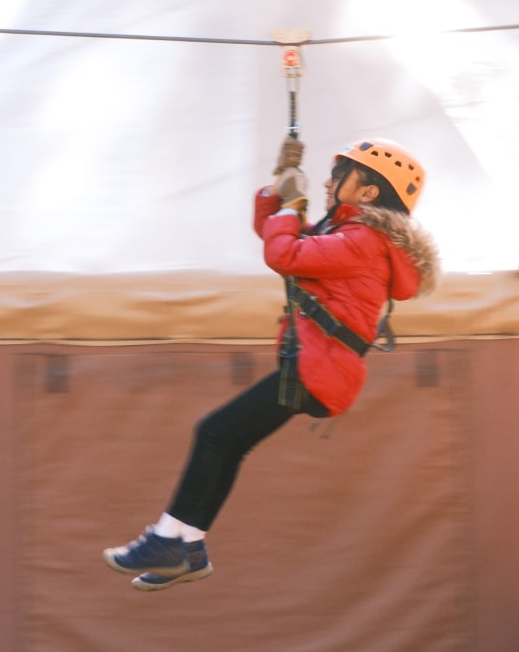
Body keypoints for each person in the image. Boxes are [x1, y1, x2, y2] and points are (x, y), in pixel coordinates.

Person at [103, 135, 441, 591]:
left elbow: (284, 253)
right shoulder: (348, 234)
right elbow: (276, 235)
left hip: (317, 370)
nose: (328, 180)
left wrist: (290, 205)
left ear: (369, 192)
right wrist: (279, 189)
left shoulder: (362, 241)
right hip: (319, 369)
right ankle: (187, 544)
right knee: (227, 441)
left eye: (341, 174)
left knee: (214, 433)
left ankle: (169, 540)